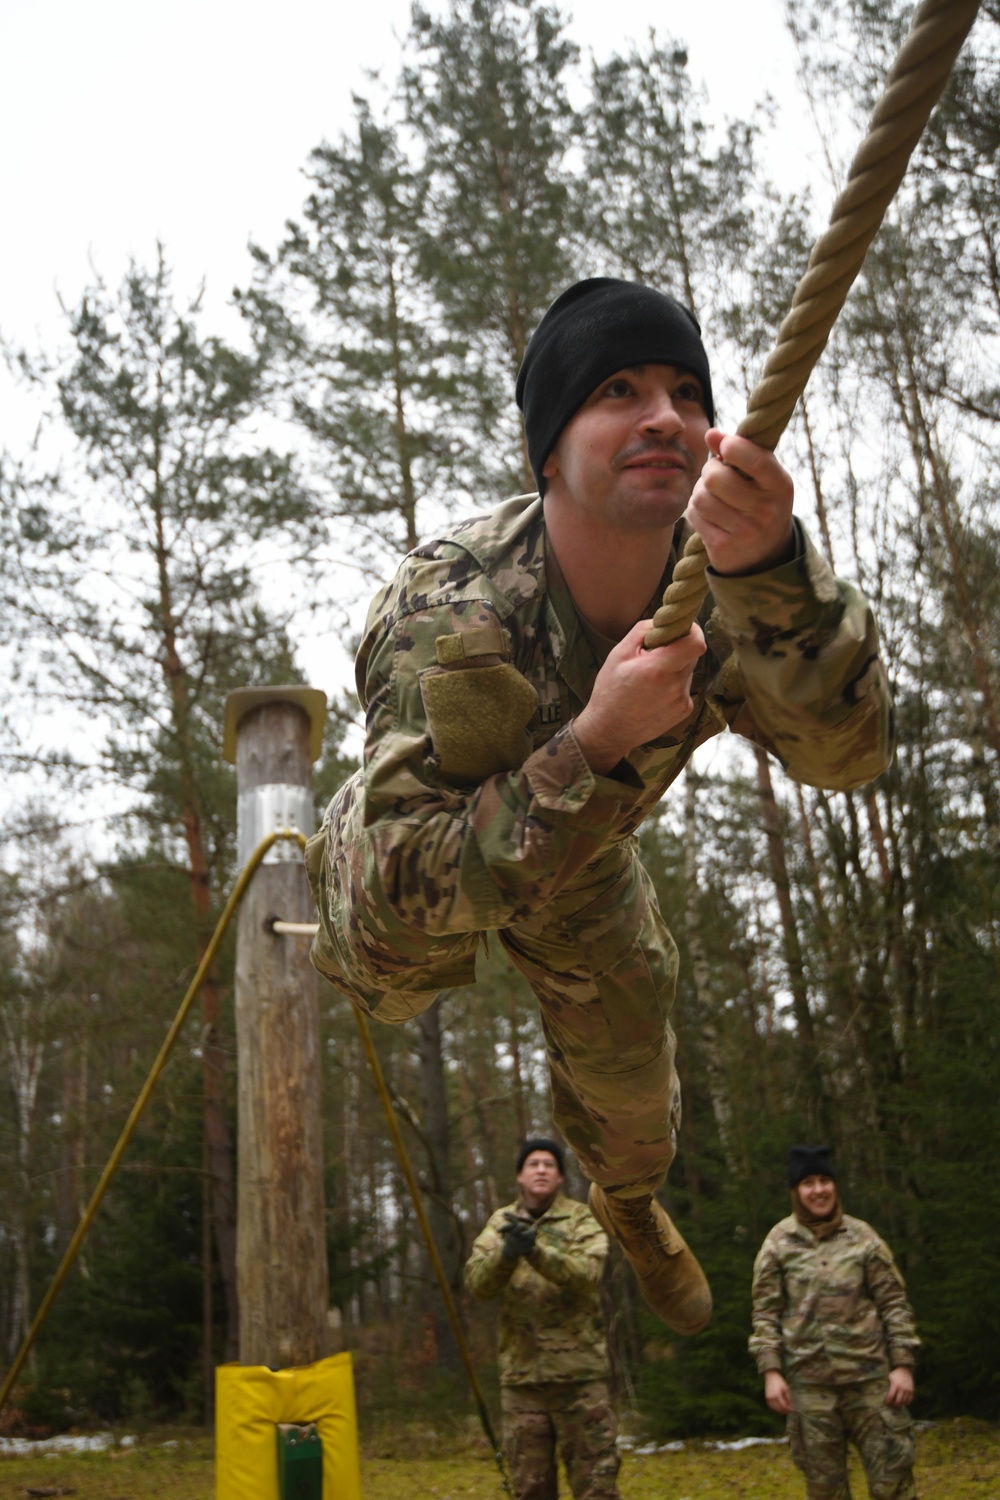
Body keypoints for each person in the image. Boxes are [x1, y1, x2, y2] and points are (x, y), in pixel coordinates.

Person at [306, 278, 893, 1337]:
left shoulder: (726, 586)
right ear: (548, 447)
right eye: (617, 390)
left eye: (684, 392)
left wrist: (773, 570)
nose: (663, 415)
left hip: (579, 857)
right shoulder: (454, 601)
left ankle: (624, 1204)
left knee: (635, 1102)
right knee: (393, 976)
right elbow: (411, 876)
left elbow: (844, 757)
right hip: (411, 854)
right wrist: (596, 738)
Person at [750, 1145, 920, 1500]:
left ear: (835, 1186)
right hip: (810, 1391)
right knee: (826, 1492)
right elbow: (765, 1313)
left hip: (872, 1385)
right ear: (796, 1191)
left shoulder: (863, 1238)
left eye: (825, 1180)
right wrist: (771, 1372)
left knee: (895, 1486)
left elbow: (894, 1303)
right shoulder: (777, 1245)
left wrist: (902, 1364)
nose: (819, 1190)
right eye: (808, 1182)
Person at [465, 1137, 621, 1500]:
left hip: (580, 1379)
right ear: (520, 1176)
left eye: (549, 1164)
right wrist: (506, 1254)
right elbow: (477, 1285)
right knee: (530, 1489)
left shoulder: (582, 1219)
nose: (541, 1170)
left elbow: (588, 1274)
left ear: (561, 1177)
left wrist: (535, 1250)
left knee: (596, 1486)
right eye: (532, 1164)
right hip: (523, 1383)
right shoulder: (500, 1223)